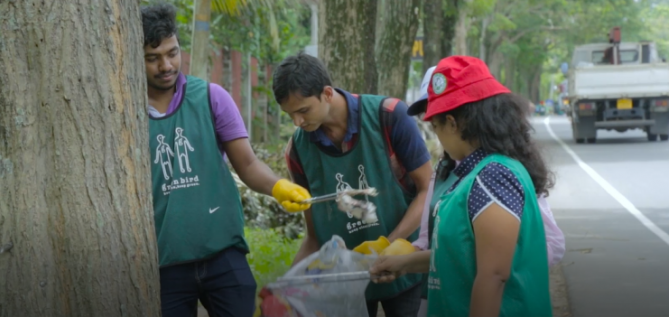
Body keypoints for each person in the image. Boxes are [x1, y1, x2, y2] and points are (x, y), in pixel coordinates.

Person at [140, 4, 312, 317]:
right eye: (152, 58)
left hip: (223, 256)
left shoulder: (211, 97)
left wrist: (279, 187)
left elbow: (246, 164)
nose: (165, 65)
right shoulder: (126, 111)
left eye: (172, 52)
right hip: (164, 264)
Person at [370, 56, 555, 317]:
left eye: (435, 127)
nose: (437, 137)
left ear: (453, 123)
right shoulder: (471, 175)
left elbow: (493, 275)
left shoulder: (492, 177)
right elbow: (460, 256)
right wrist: (403, 264)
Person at [272, 51, 433, 317]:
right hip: (345, 283)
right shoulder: (298, 150)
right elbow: (314, 236)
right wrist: (285, 289)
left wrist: (388, 245)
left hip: (406, 269)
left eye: (303, 111)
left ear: (326, 93)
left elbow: (427, 189)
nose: (297, 122)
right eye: (290, 115)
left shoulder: (390, 116)